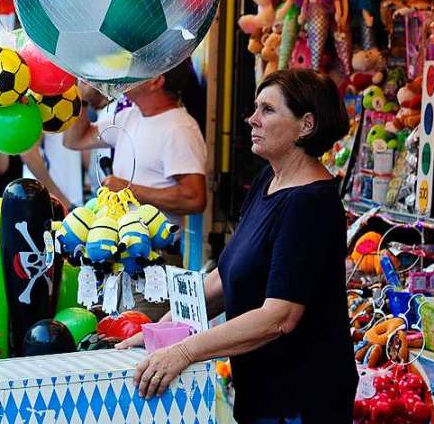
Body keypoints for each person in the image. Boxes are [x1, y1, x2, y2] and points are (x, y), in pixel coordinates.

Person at [122, 69, 356, 423]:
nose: (252, 119)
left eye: (268, 110)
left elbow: (279, 318)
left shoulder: (310, 204)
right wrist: (161, 333)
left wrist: (185, 351)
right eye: (255, 108)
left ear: (306, 125)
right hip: (259, 388)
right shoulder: (268, 180)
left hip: (301, 399)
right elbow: (224, 278)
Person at [63, 59, 208, 221]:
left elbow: (194, 199)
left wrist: (129, 190)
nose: (127, 75)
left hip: (155, 245)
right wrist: (81, 99)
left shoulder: (179, 128)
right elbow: (74, 140)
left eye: (136, 69)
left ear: (156, 81)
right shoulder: (130, 116)